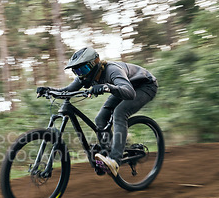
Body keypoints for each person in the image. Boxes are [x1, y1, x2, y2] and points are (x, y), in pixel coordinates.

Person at [36, 47, 158, 176]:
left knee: (120, 113)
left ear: (95, 63)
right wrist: (48, 89)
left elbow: (129, 92)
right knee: (100, 119)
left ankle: (114, 160)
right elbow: (67, 91)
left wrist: (107, 87)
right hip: (122, 87)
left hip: (144, 86)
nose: (80, 74)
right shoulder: (83, 77)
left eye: (82, 69)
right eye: (76, 71)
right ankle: (107, 154)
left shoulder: (112, 70)